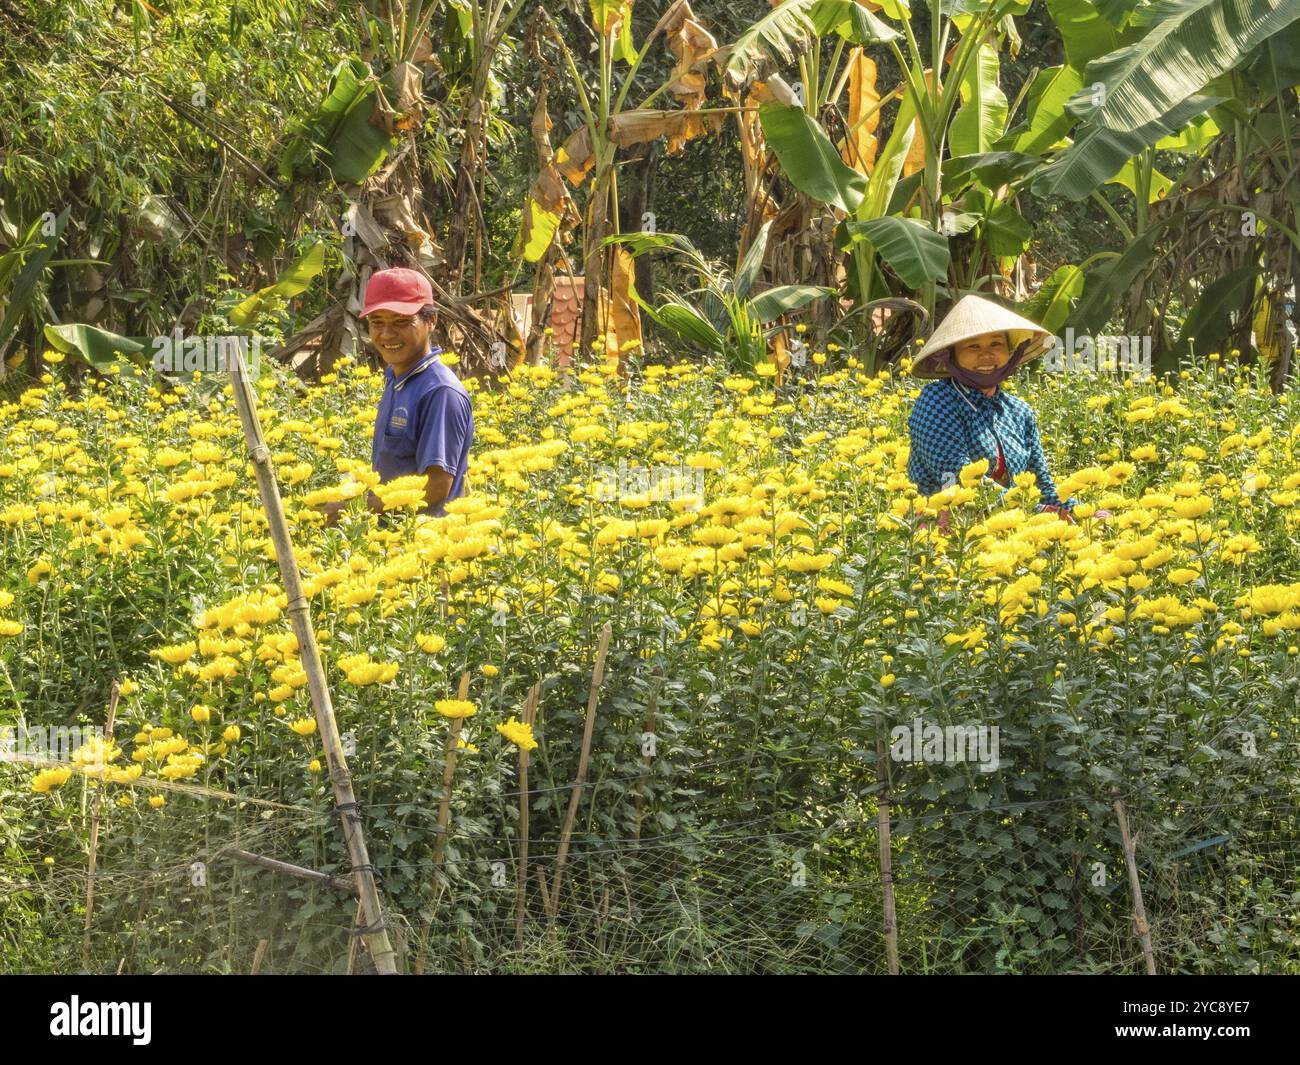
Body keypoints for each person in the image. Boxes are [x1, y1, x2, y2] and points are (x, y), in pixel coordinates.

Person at [906, 294, 1107, 532]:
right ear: (951, 354)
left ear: (1012, 351)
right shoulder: (937, 400)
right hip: (945, 539)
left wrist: (1084, 512)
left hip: (1011, 531)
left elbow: (1041, 487)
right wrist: (1033, 512)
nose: (986, 355)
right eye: (973, 346)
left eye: (996, 344)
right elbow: (959, 478)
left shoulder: (1018, 412)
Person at [322, 267, 473, 524]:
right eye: (377, 322)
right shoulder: (397, 377)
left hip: (424, 545)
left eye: (401, 322)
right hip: (390, 540)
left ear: (431, 321)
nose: (387, 334)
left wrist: (354, 508)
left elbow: (436, 487)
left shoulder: (439, 392)